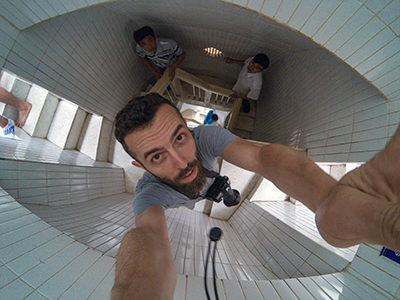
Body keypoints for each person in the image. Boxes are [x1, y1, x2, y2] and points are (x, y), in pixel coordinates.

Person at [112, 93, 400, 299]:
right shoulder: (148, 193)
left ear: (189, 130)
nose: (182, 161)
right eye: (158, 156)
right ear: (142, 166)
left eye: (179, 138)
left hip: (214, 187)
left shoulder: (206, 137)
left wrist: (326, 199)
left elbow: (262, 158)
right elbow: (148, 238)